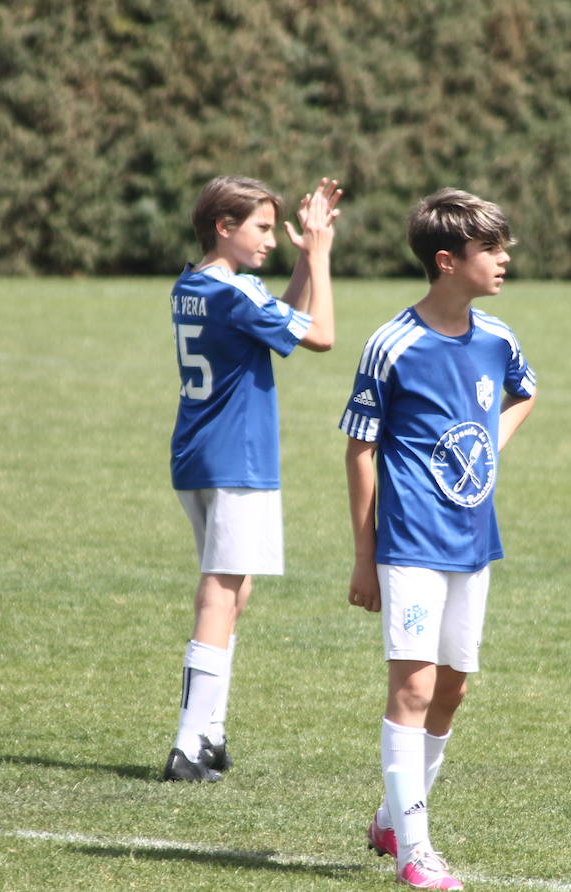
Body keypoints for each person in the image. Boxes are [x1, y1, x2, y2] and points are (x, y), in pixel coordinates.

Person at [340, 188, 537, 889]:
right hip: (411, 543)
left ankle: (394, 817)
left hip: (474, 541)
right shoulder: (393, 344)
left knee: (451, 690)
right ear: (449, 262)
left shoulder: (498, 338)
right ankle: (414, 853)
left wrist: (489, 445)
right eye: (492, 249)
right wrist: (365, 557)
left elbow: (525, 392)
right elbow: (359, 448)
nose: (504, 259)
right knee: (413, 689)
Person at [162, 175, 341, 782]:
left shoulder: (195, 286)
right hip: (236, 458)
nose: (271, 238)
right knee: (220, 591)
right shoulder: (235, 296)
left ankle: (209, 730)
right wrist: (318, 258)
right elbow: (321, 335)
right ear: (223, 226)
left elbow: (277, 315)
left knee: (236, 591)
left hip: (197, 456)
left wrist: (296, 265)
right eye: (261, 227)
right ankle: (189, 743)